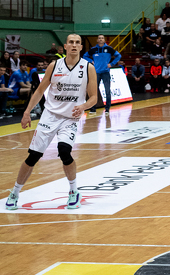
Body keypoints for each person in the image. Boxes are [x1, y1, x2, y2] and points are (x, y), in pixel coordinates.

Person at [5, 33, 98, 211]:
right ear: (65, 46)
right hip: (50, 115)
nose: (74, 45)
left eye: (77, 43)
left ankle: (74, 191)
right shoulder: (54, 65)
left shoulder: (88, 68)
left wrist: (83, 106)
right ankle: (15, 192)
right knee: (33, 156)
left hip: (70, 117)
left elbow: (94, 97)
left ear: (81, 47)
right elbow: (40, 91)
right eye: (71, 42)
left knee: (64, 151)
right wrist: (27, 112)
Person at [83, 35, 122, 115]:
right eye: (99, 38)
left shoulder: (109, 49)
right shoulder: (93, 49)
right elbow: (84, 56)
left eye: (102, 38)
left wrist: (112, 64)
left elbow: (118, 55)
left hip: (105, 72)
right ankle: (93, 109)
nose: (101, 39)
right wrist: (91, 61)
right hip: (96, 72)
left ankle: (107, 109)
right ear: (97, 40)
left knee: (107, 90)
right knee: (94, 91)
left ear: (104, 40)